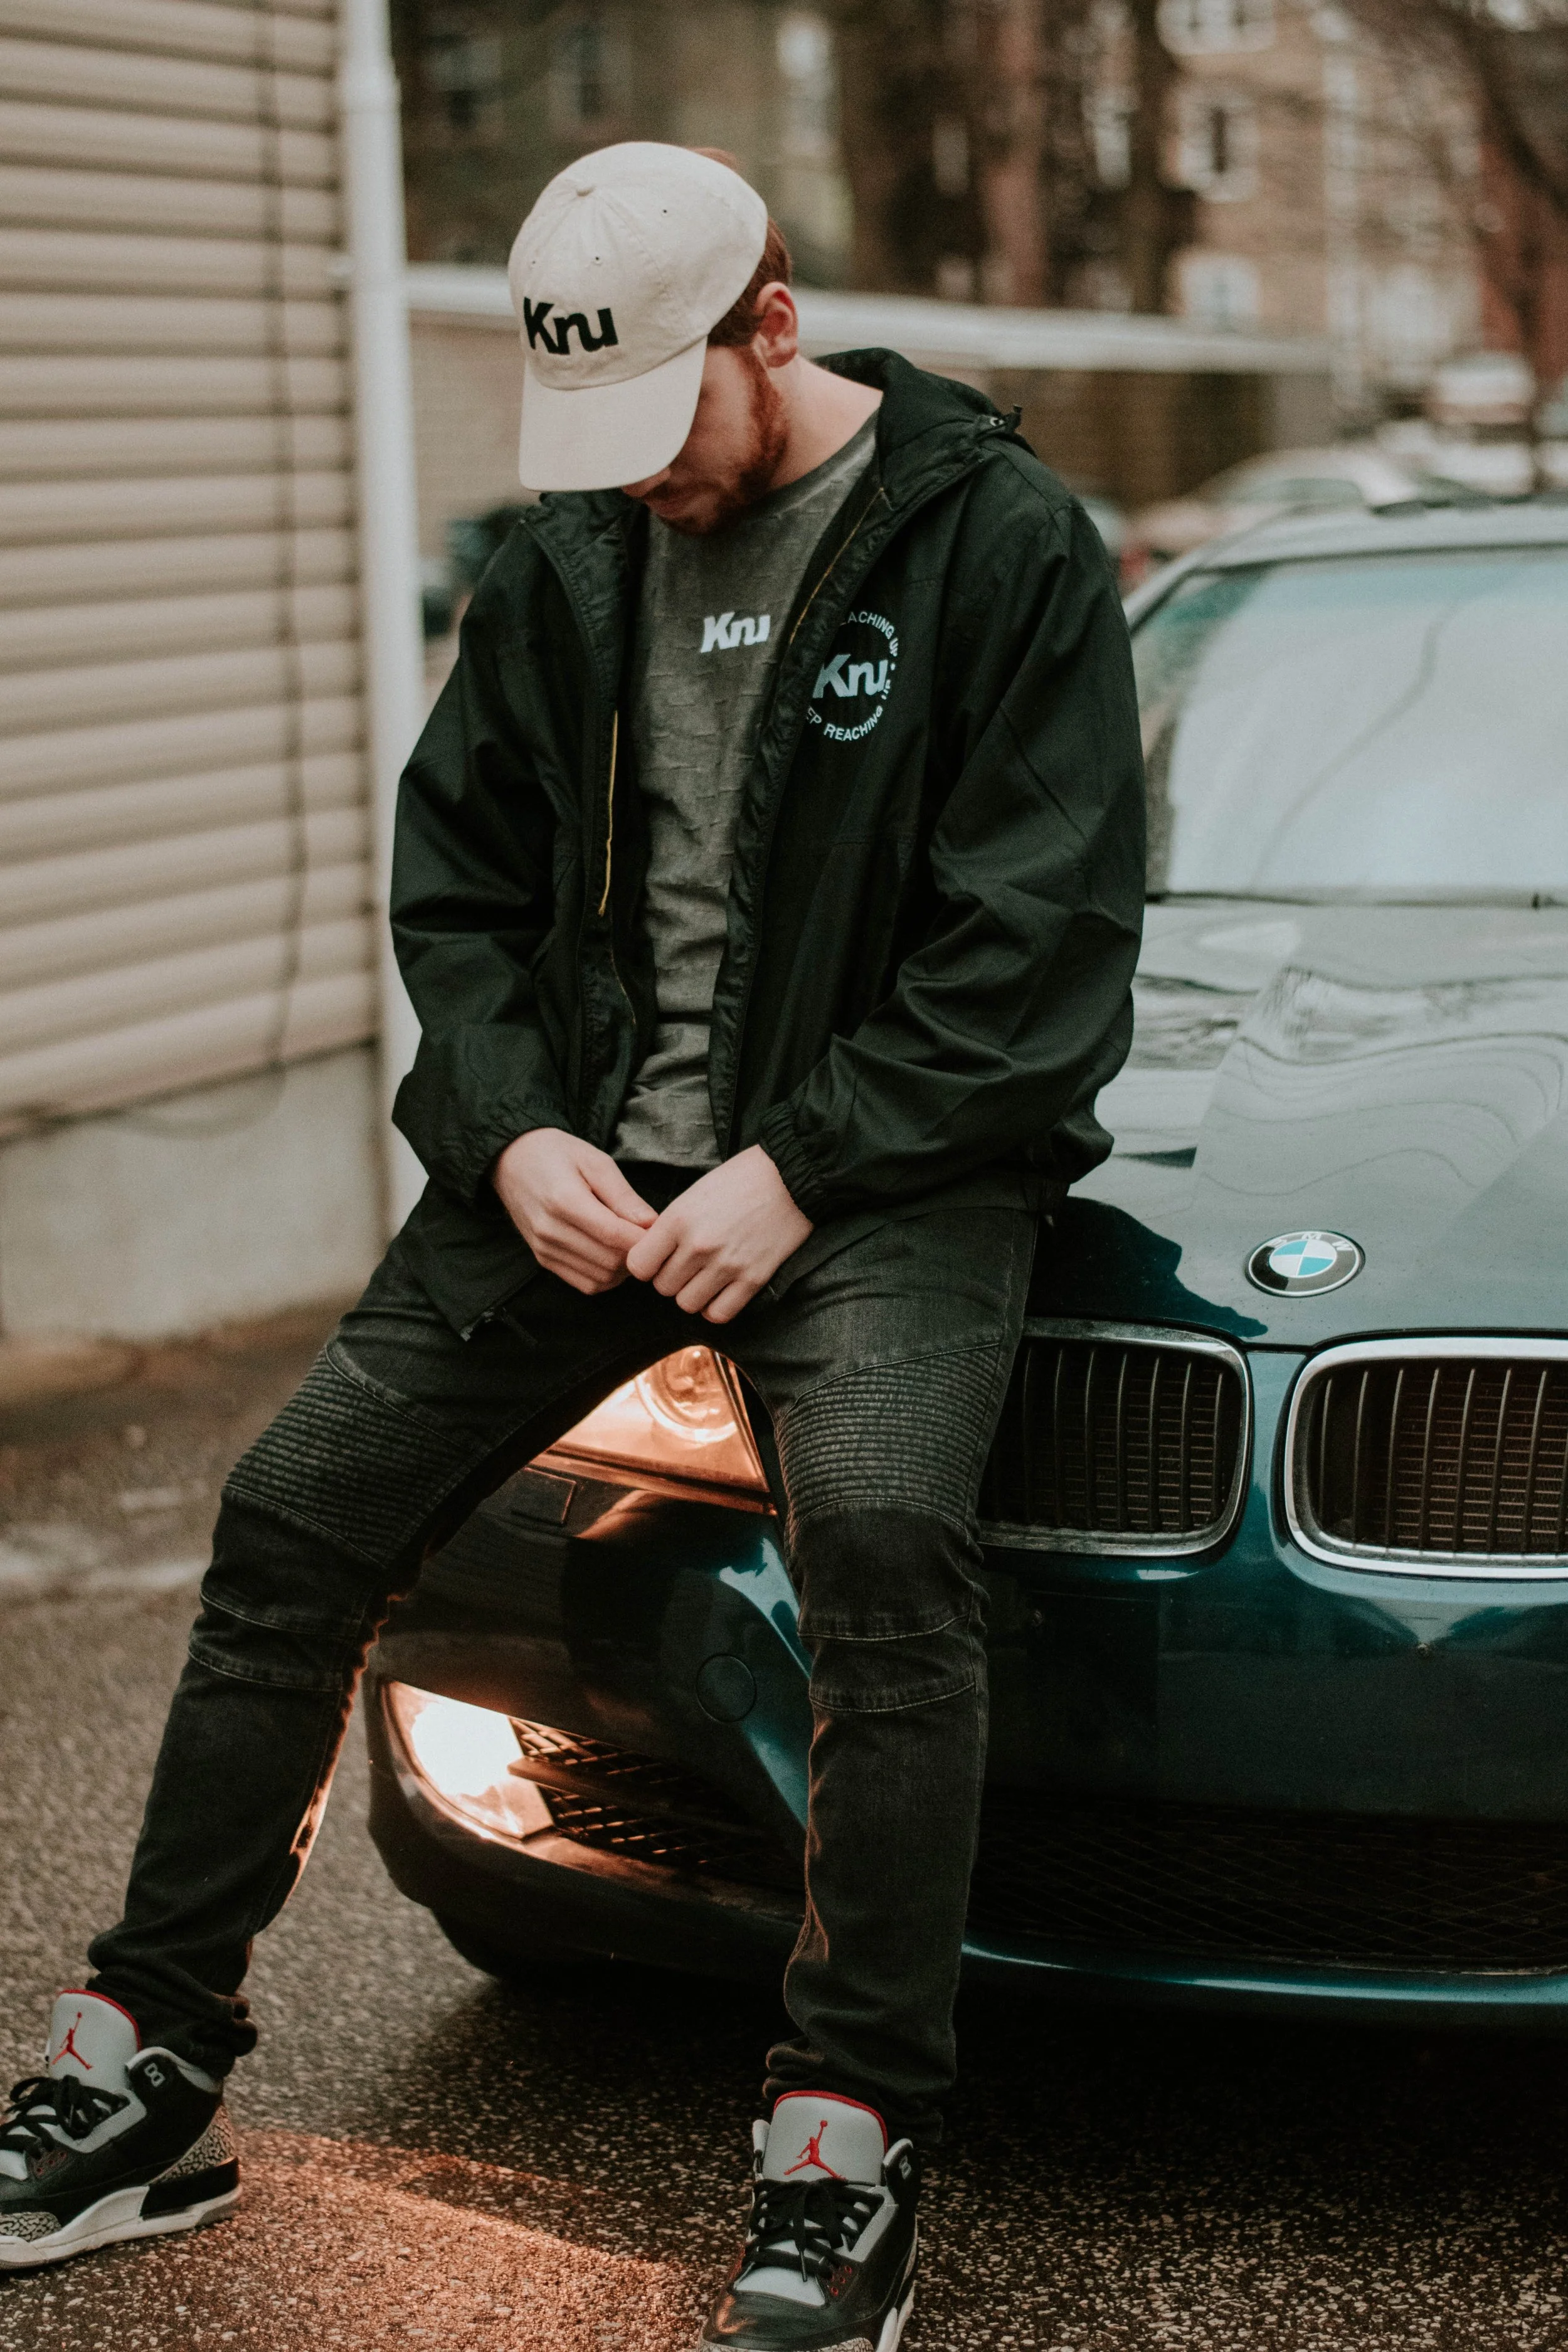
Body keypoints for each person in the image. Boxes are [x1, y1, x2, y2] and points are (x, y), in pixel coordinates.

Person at [0, 142, 1145, 2346]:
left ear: (772, 329)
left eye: (664, 426)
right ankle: (144, 2058)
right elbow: (466, 894)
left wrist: (801, 1166)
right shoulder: (567, 560)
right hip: (582, 1173)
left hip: (879, 1184)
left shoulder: (999, 544)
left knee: (890, 1552)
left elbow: (1042, 945)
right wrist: (512, 1127)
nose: (635, 485)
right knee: (288, 1514)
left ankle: (844, 2135)